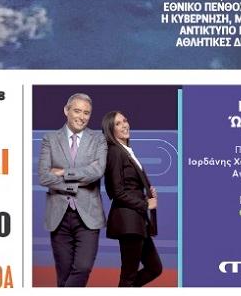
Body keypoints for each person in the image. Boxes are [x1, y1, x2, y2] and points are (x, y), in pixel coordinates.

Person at [39, 93, 107, 287]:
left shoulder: (99, 139)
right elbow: (44, 177)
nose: (82, 117)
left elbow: (96, 172)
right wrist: (76, 184)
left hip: (88, 215)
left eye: (87, 113)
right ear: (66, 111)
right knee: (63, 274)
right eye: (77, 111)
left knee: (83, 267)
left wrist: (63, 173)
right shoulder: (50, 139)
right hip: (58, 216)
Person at [101, 110, 163, 287]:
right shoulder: (115, 152)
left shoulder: (126, 151)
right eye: (118, 124)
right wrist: (145, 203)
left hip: (137, 221)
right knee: (128, 276)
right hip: (128, 222)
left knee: (154, 268)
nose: (124, 125)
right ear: (110, 130)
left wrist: (147, 192)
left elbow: (130, 185)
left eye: (125, 121)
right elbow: (117, 192)